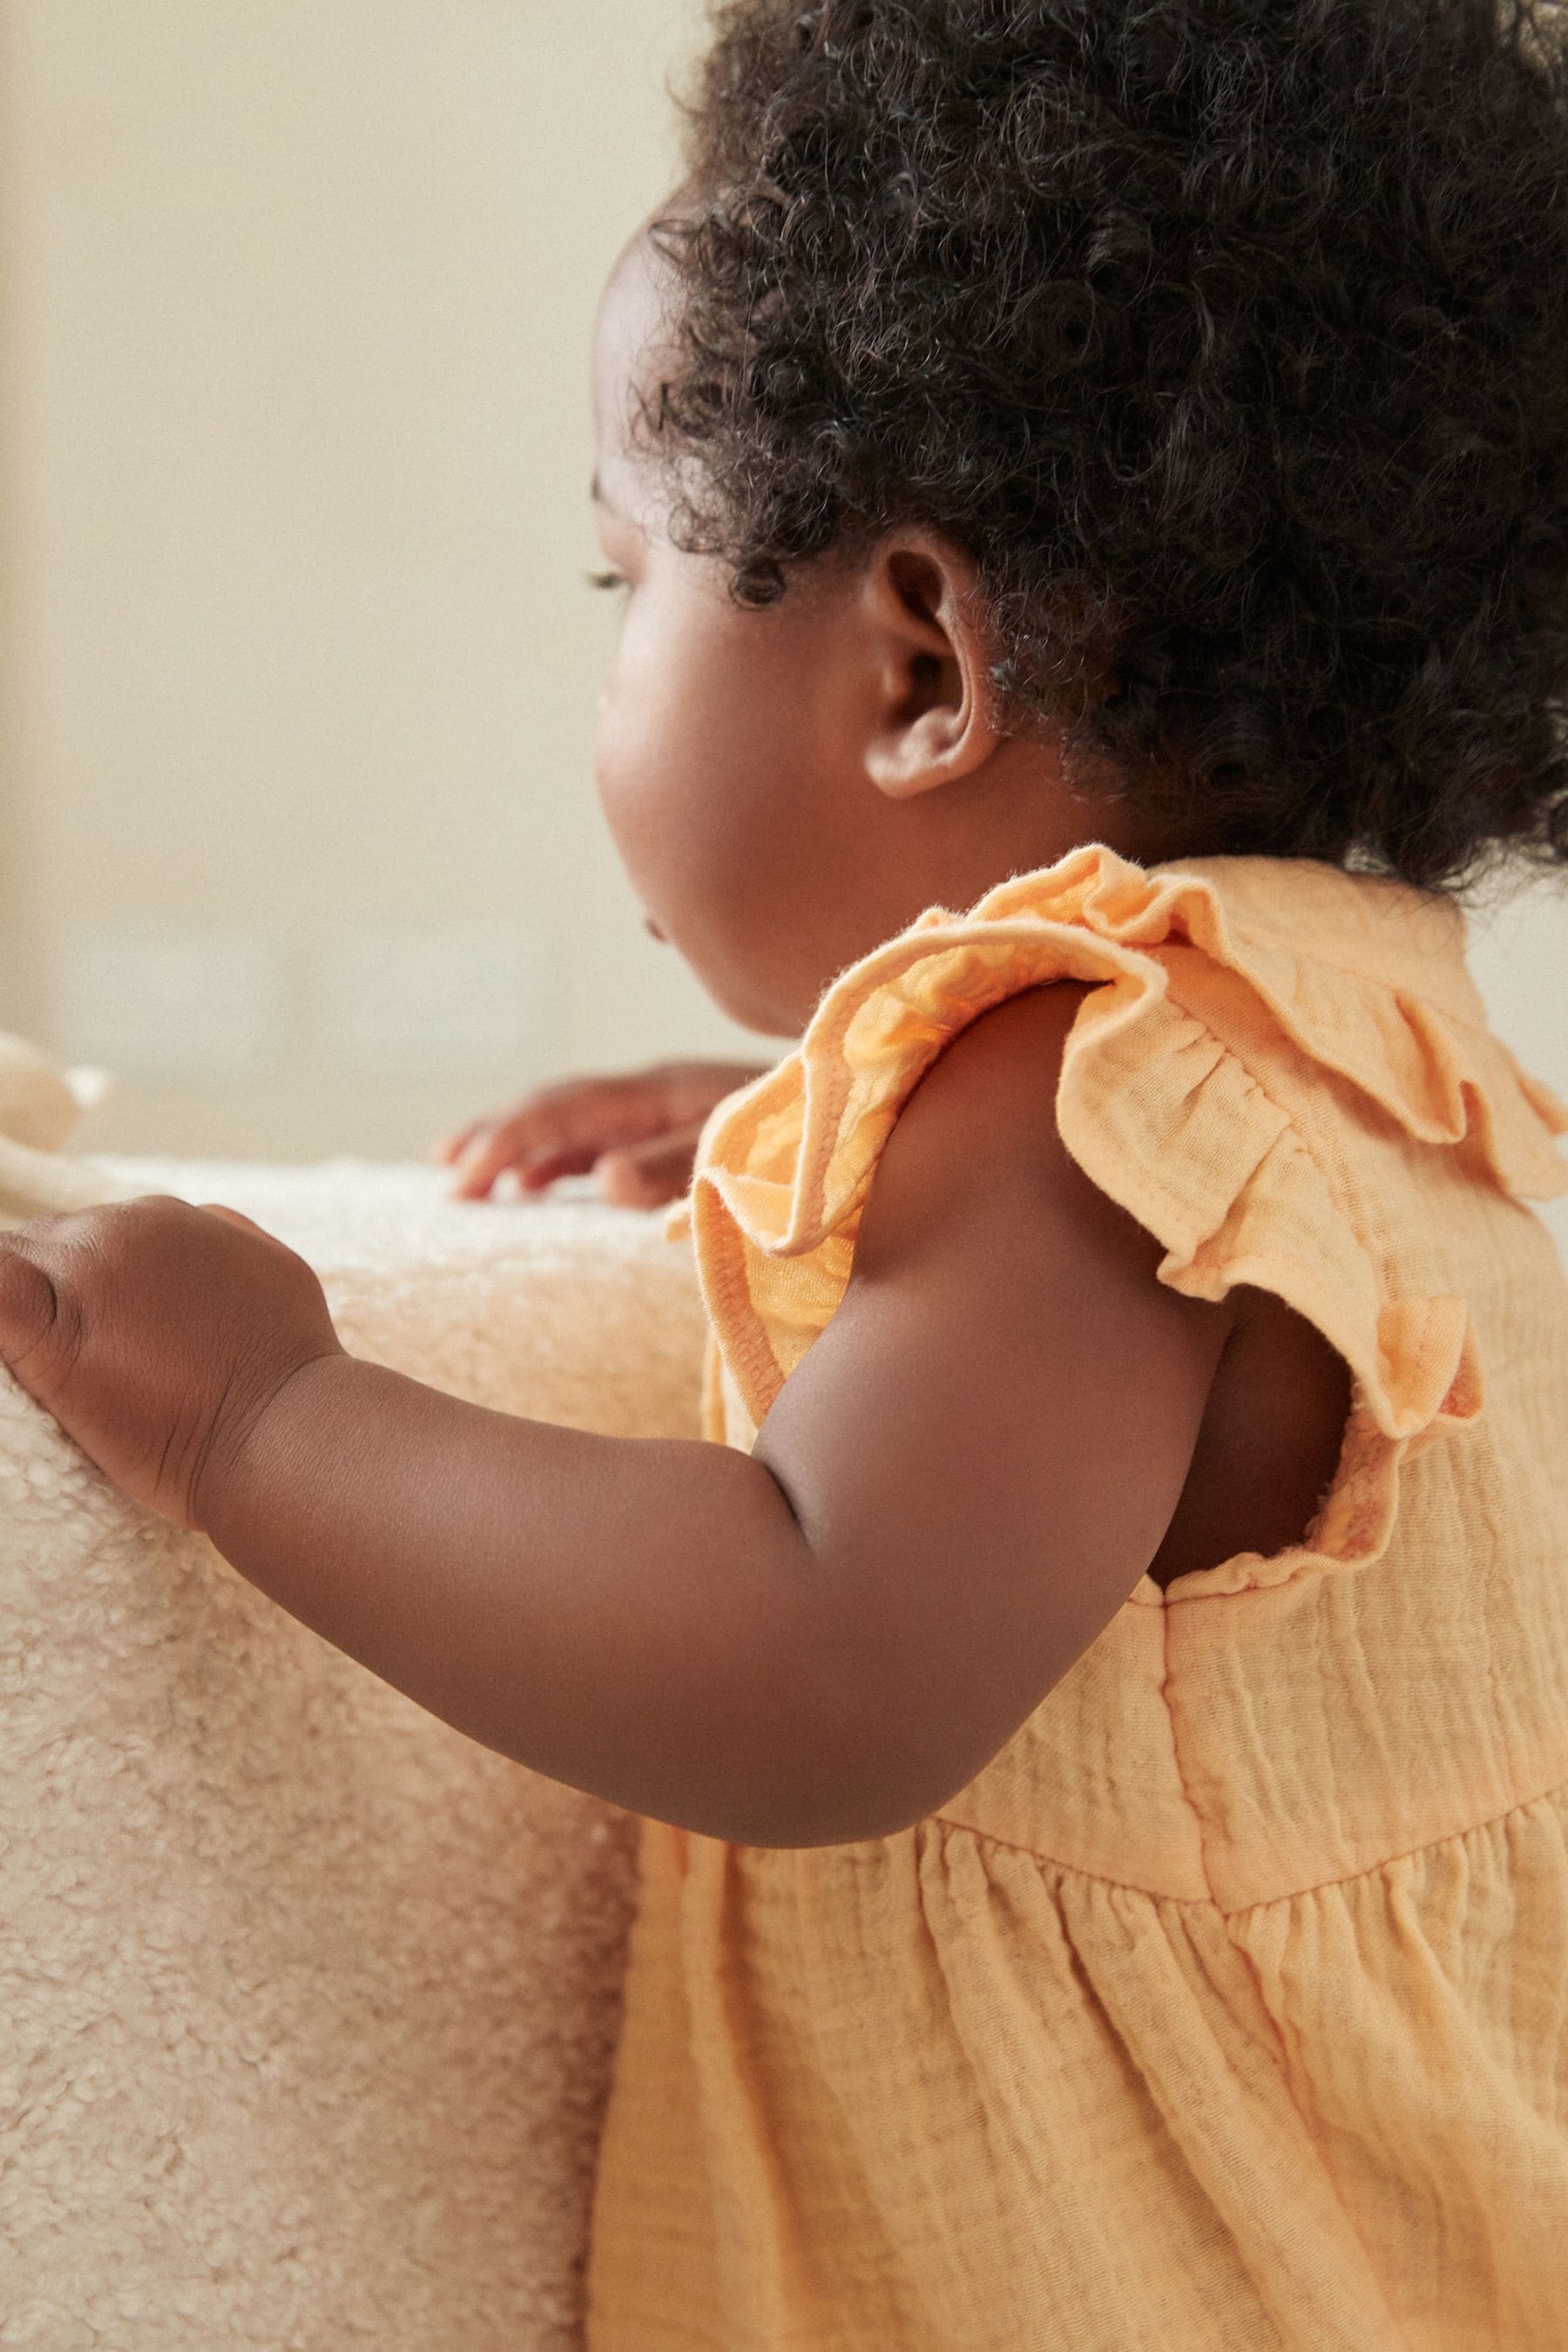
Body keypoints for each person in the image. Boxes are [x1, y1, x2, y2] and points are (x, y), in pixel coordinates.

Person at [3, 0, 1568, 2339]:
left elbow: (822, 1647)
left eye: (621, 580)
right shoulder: (1353, 1038)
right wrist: (817, 1140)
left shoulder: (1067, 1103)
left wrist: (266, 1417)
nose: (615, 651)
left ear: (921, 667)